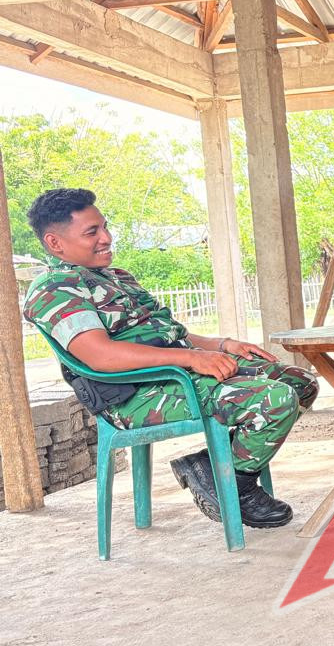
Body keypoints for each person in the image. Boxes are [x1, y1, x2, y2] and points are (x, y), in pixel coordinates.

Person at [22, 188, 317, 528]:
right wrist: (191, 359)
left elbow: (167, 333)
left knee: (300, 382)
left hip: (175, 374)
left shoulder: (116, 277)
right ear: (55, 242)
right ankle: (234, 485)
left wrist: (221, 345)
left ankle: (212, 468)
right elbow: (99, 355)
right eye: (92, 232)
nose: (106, 237)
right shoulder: (55, 289)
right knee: (275, 400)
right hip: (134, 394)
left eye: (104, 226)